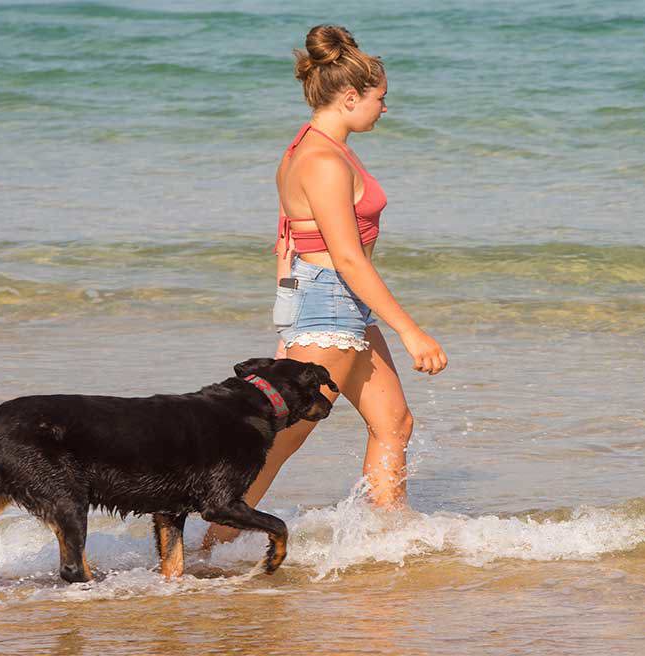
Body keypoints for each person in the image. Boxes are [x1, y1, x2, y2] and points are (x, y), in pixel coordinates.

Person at [202, 25, 447, 549]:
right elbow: (348, 261)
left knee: (395, 422)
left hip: (331, 304)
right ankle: (211, 545)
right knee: (280, 440)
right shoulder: (322, 160)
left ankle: (387, 538)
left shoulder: (308, 146)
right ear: (351, 96)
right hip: (333, 303)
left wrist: (287, 322)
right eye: (381, 98)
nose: (386, 108)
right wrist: (412, 332)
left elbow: (285, 242)